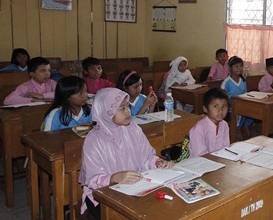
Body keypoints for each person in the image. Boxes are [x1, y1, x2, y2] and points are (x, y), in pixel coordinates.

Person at [79, 88, 174, 220]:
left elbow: (147, 157)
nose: (128, 111)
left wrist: (158, 162)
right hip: (101, 194)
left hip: (134, 186)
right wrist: (114, 178)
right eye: (122, 109)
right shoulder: (93, 140)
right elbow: (92, 179)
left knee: (159, 208)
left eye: (127, 106)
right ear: (107, 112)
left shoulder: (133, 129)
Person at [188, 88, 230, 157]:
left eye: (223, 106)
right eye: (215, 106)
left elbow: (226, 149)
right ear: (205, 109)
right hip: (199, 164)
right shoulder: (198, 129)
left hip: (219, 162)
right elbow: (201, 157)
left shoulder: (224, 125)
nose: (220, 110)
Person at [220, 56, 254, 139]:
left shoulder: (243, 80)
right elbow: (221, 98)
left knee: (254, 111)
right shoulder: (226, 82)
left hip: (242, 104)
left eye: (240, 66)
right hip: (230, 107)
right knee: (240, 112)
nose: (239, 68)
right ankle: (237, 129)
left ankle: (245, 125)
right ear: (230, 68)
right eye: (236, 66)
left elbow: (245, 94)